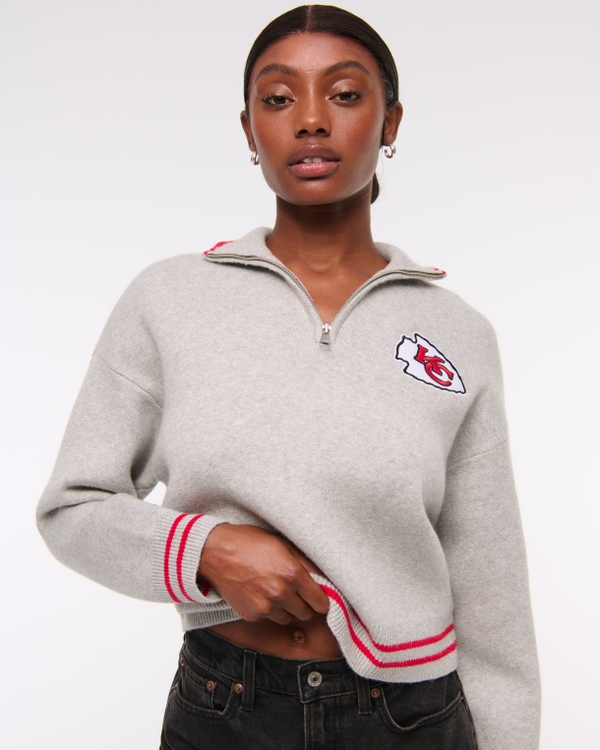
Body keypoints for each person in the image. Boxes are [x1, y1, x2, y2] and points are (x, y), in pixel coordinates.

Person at [36, 5, 540, 749]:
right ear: (249, 131)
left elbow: (489, 581)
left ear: (391, 121)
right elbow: (72, 508)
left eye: (345, 94)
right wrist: (208, 550)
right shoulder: (168, 300)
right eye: (278, 98)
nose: (310, 119)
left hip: (411, 719)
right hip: (224, 710)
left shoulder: (457, 332)